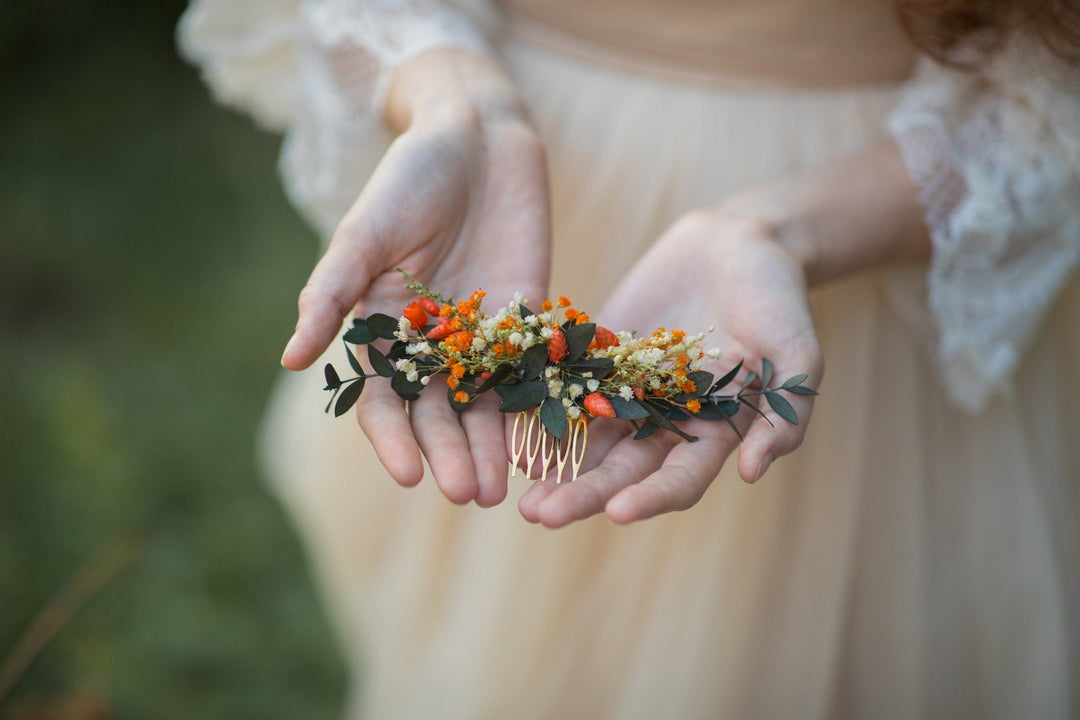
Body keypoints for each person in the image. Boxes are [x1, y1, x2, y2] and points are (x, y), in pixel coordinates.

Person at [179, 1, 1080, 717]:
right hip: (521, 210)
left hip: (866, 216)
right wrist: (453, 96)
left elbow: (1054, 85)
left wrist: (778, 231)